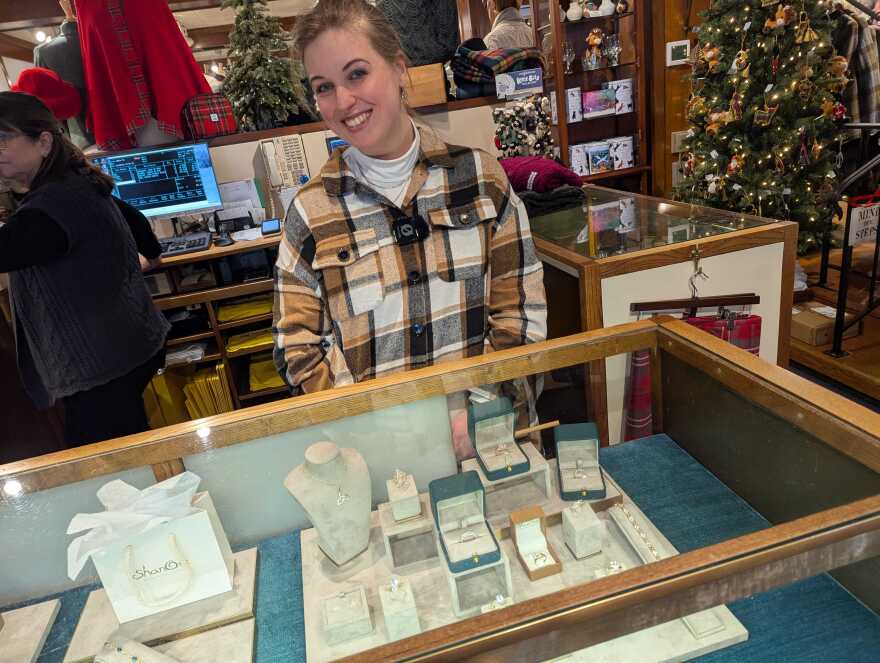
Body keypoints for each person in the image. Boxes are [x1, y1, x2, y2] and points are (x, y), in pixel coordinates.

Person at [274, 0, 547, 438]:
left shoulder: (480, 179)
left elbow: (521, 313)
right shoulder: (310, 212)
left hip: (491, 442)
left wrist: (481, 412)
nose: (343, 100)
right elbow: (299, 348)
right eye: (323, 87)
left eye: (356, 73)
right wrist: (369, 429)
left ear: (399, 69)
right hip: (381, 458)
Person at [0, 92, 170, 447]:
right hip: (129, 343)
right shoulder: (77, 183)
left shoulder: (50, 207)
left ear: (43, 142)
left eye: (3, 140)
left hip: (99, 364)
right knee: (126, 447)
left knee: (112, 460)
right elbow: (137, 222)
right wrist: (150, 258)